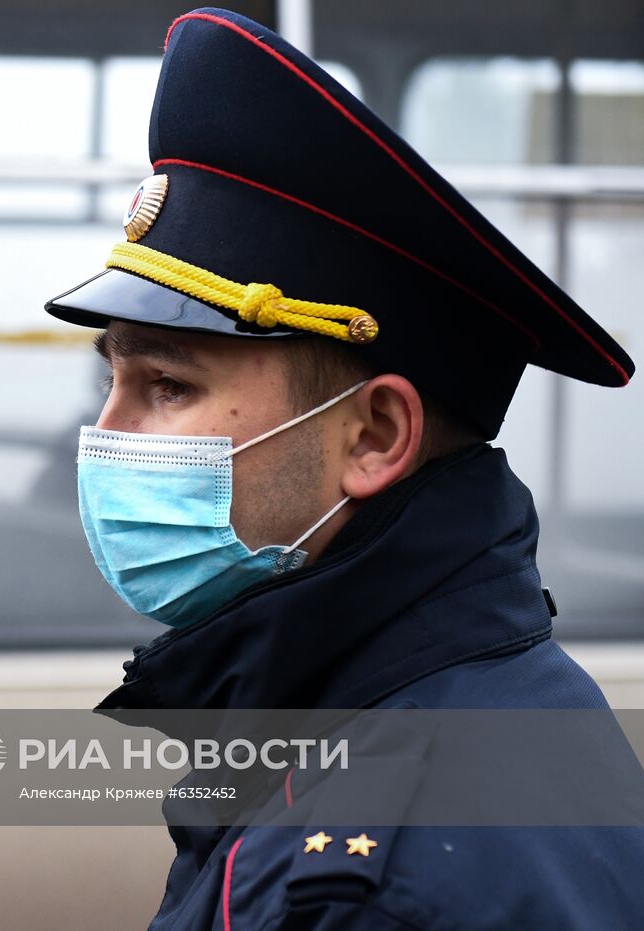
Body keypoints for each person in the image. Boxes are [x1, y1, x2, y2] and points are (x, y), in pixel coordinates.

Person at [43, 8, 644, 929]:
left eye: (166, 383)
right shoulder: (421, 704)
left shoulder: (380, 886)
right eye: (111, 377)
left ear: (373, 436)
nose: (106, 433)